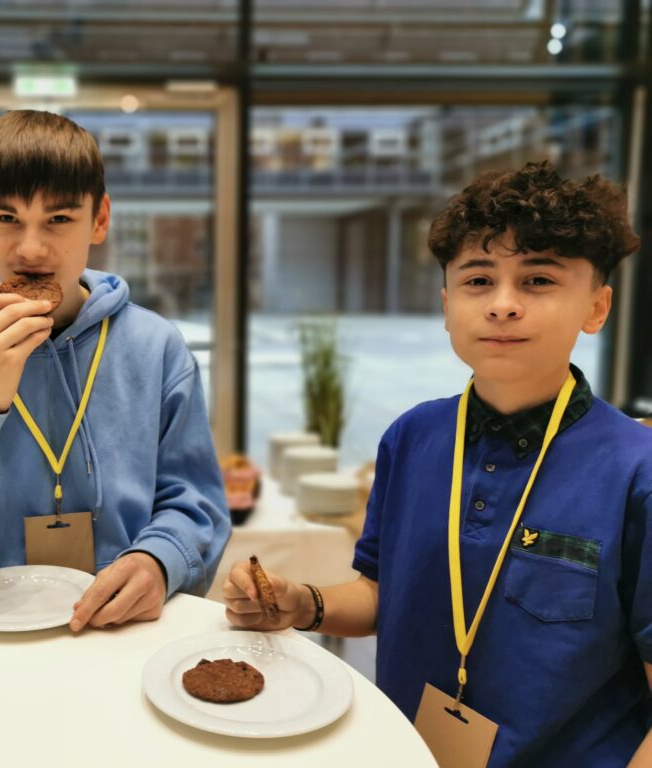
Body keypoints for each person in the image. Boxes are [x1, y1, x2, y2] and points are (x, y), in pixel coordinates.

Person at [223, 162, 652, 766]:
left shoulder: (637, 471)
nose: (503, 305)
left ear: (597, 307)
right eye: (479, 281)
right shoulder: (413, 437)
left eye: (538, 280)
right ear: (447, 302)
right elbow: (384, 593)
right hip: (403, 751)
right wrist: (304, 603)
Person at [0, 110, 230, 632]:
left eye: (58, 219)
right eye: (7, 218)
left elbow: (194, 502)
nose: (31, 249)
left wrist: (160, 560)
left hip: (120, 634)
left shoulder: (156, 349)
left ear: (99, 219)